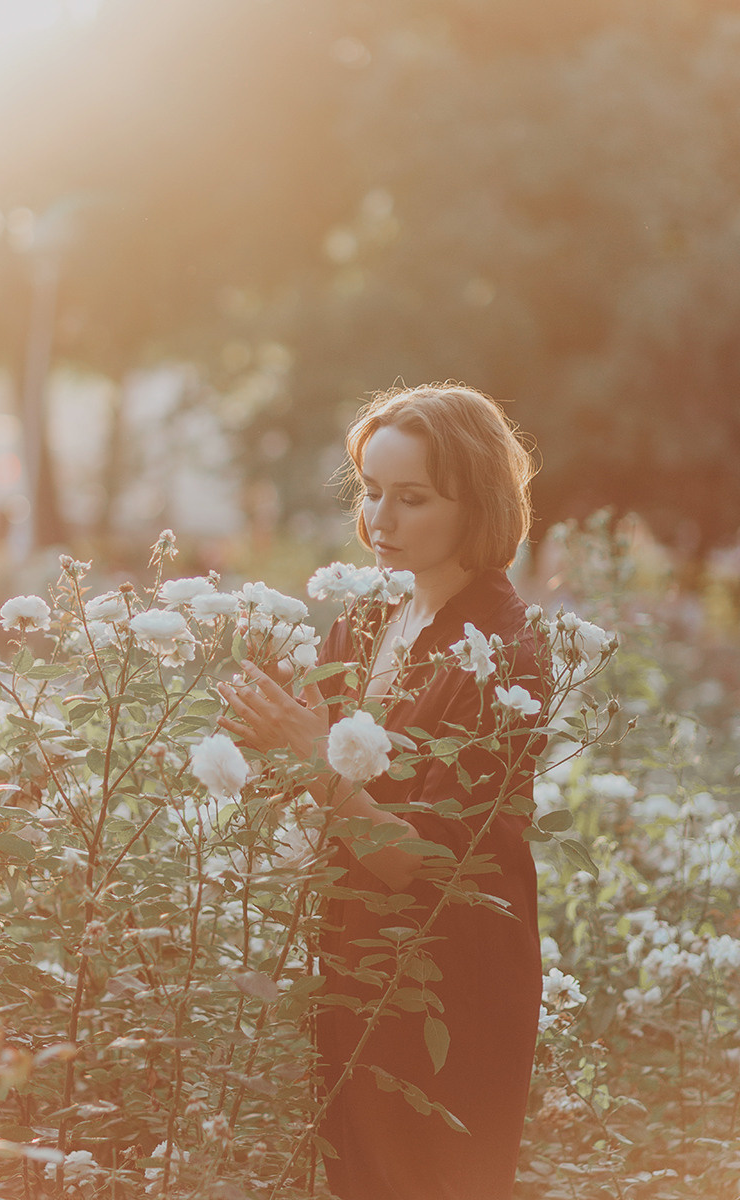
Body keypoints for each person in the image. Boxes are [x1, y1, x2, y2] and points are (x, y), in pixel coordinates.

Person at [218, 383, 548, 1200]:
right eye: (369, 491)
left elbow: (423, 866)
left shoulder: (507, 653)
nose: (380, 521)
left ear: (477, 505)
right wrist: (265, 740)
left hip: (452, 986)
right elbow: (315, 787)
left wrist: (309, 752)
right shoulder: (366, 622)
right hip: (354, 957)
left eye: (412, 499)